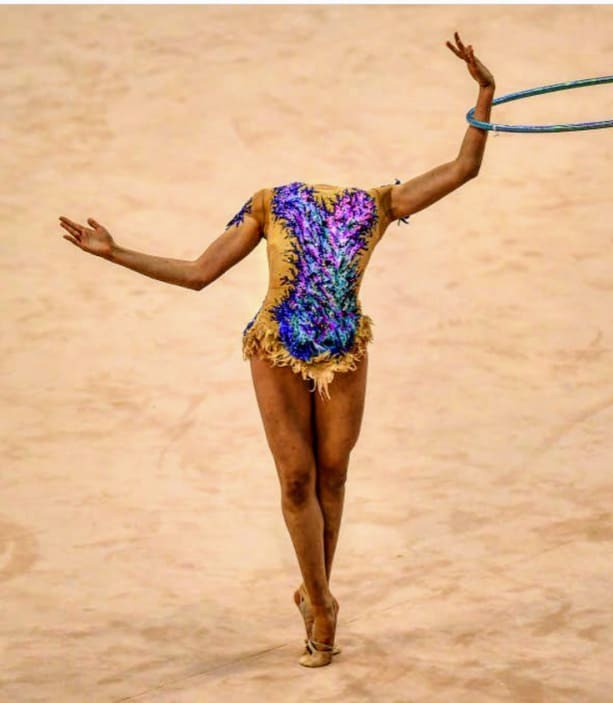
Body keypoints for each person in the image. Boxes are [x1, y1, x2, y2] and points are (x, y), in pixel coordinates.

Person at [58, 31, 494, 668]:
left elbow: (463, 169)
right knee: (297, 479)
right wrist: (115, 252)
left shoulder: (379, 205)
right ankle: (321, 604)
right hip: (276, 346)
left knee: (334, 474)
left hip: (343, 351)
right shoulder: (270, 204)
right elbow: (200, 272)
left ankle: (315, 592)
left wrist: (485, 92)